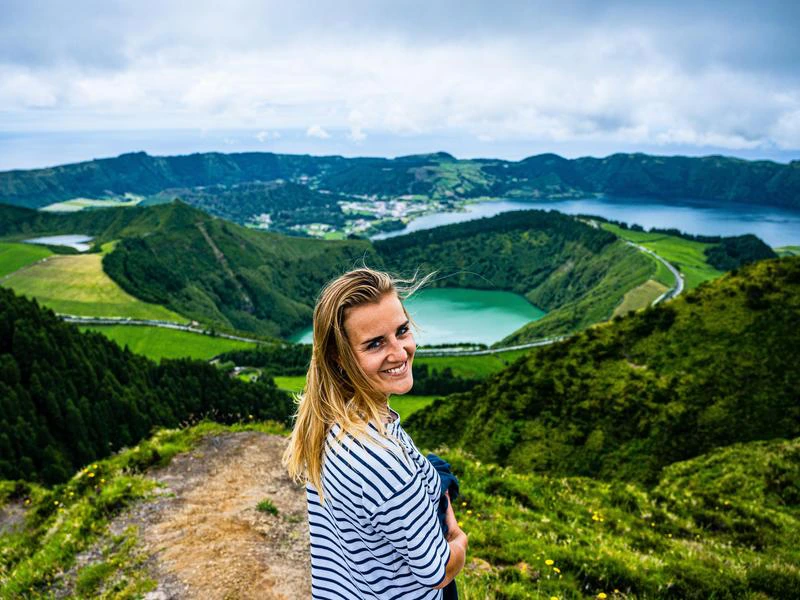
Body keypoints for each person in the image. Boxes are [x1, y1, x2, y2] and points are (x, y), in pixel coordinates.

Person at [283, 267, 468, 599]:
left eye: (402, 331)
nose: (399, 353)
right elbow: (437, 570)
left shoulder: (326, 424)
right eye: (375, 344)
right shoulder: (383, 461)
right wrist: (458, 541)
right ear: (339, 359)